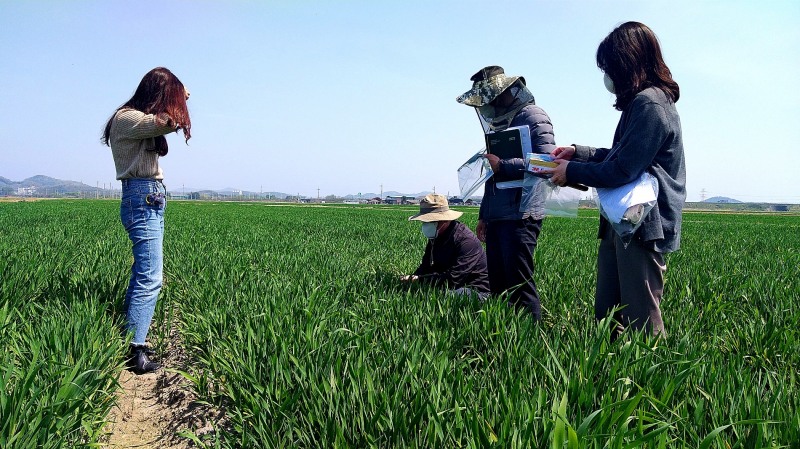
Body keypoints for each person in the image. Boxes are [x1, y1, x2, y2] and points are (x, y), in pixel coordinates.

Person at [545, 22, 685, 340]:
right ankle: (608, 376)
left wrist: (571, 172)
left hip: (643, 223)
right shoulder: (640, 103)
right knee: (608, 312)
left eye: (609, 66)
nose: (607, 75)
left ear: (628, 63)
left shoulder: (650, 104)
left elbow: (623, 170)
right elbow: (622, 155)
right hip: (623, 220)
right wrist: (578, 153)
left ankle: (646, 383)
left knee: (640, 321)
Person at [101, 67, 192, 374]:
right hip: (143, 198)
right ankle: (135, 350)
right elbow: (168, 122)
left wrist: (178, 93)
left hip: (148, 197)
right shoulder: (127, 119)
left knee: (143, 272)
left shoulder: (136, 120)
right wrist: (177, 99)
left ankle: (132, 340)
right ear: (156, 95)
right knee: (151, 277)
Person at [456, 66, 556, 319]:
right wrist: (484, 216)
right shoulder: (498, 125)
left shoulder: (534, 116)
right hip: (498, 214)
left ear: (504, 93)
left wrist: (504, 165)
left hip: (523, 212)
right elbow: (492, 177)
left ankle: (530, 340)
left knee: (519, 282)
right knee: (498, 284)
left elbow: (548, 164)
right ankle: (504, 339)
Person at [403, 194, 490, 299]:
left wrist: (420, 280)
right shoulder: (436, 236)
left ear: (445, 220)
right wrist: (413, 278)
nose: (426, 225)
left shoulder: (466, 241)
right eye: (424, 222)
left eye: (430, 222)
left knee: (443, 297)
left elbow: (455, 278)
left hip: (475, 290)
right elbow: (425, 266)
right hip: (449, 285)